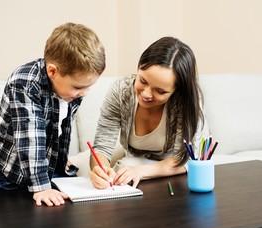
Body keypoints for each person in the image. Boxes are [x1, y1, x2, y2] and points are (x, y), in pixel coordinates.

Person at [0, 22, 106, 206]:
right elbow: (30, 138)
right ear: (52, 71)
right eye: (79, 87)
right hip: (10, 172)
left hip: (44, 168)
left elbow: (62, 128)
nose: (84, 93)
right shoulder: (25, 83)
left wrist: (60, 160)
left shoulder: (70, 90)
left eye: (89, 87)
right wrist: (41, 186)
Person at [89, 36, 209, 189]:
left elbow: (188, 158)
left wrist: (140, 172)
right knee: (83, 166)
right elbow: (101, 147)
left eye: (160, 91)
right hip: (133, 158)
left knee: (126, 164)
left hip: (167, 171)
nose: (146, 94)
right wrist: (99, 170)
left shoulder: (186, 103)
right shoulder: (121, 91)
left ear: (176, 92)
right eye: (143, 81)